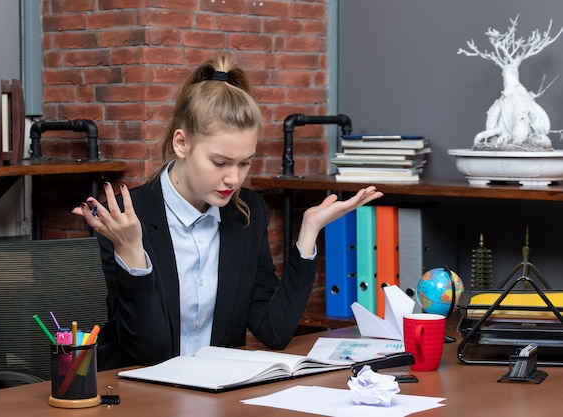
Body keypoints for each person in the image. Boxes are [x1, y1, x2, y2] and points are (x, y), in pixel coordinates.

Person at [73, 55, 383, 370]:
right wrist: (131, 252)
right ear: (182, 143)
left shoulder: (246, 214)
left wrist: (309, 233)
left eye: (245, 163)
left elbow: (273, 332)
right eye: (220, 163)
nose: (233, 179)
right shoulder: (126, 218)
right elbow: (148, 353)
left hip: (216, 394)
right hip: (138, 398)